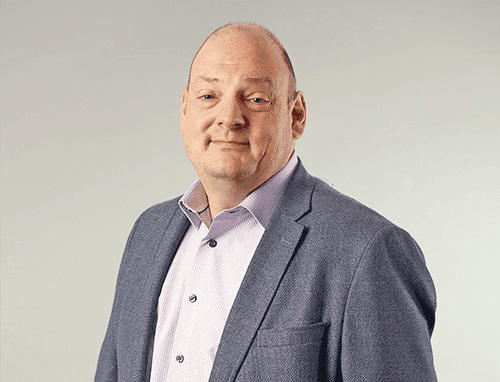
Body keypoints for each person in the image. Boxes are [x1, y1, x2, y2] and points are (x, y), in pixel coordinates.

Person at [95, 23, 437, 382]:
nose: (229, 118)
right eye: (208, 96)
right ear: (184, 109)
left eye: (256, 99)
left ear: (296, 114)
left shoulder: (366, 252)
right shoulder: (148, 233)